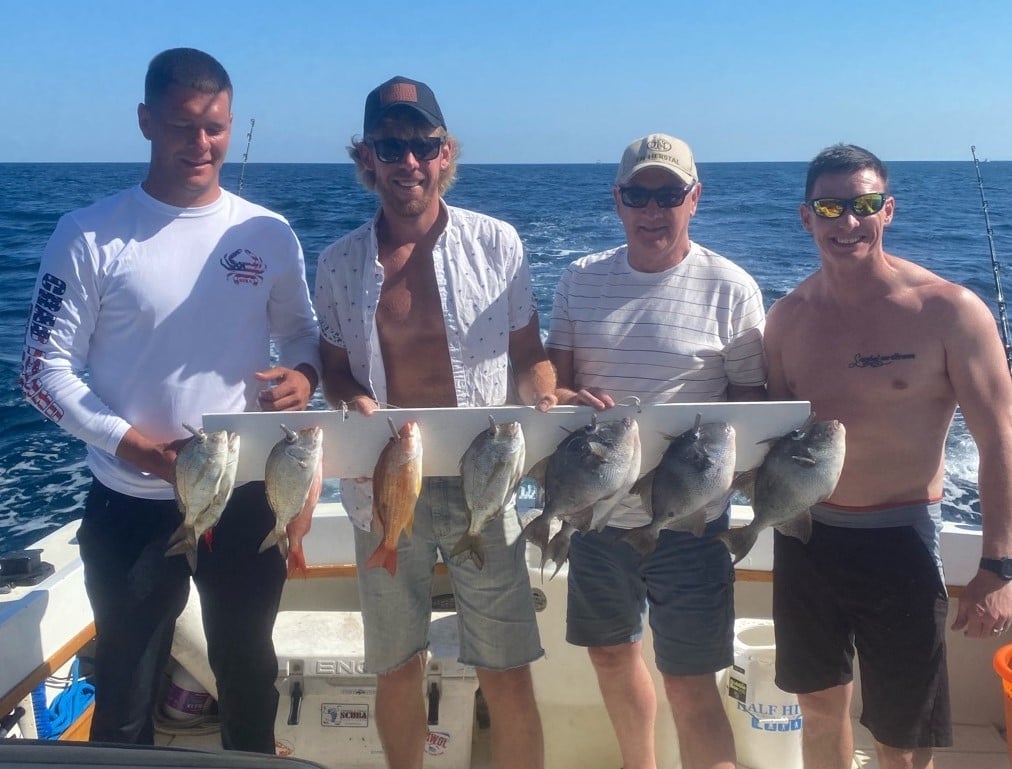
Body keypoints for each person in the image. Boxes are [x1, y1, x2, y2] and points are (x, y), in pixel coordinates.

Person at [18, 48, 321, 751]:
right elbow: (40, 370)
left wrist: (304, 373)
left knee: (249, 672)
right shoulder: (88, 234)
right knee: (125, 687)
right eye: (184, 125)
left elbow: (303, 334)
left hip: (245, 496)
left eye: (215, 126)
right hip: (131, 502)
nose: (202, 143)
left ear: (231, 123)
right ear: (146, 121)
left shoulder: (268, 234)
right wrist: (135, 448)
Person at [314, 75, 555, 769]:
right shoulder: (337, 263)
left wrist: (545, 398)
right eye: (392, 146)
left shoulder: (497, 243)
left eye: (423, 144)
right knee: (396, 665)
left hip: (483, 479)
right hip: (384, 483)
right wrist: (349, 396)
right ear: (368, 158)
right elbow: (332, 366)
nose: (409, 161)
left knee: (506, 667)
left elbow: (530, 355)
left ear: (446, 152)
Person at [764, 143, 1012, 769]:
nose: (848, 222)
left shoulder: (948, 310)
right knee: (819, 709)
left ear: (888, 210)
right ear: (806, 217)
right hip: (806, 539)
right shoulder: (787, 320)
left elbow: (1001, 441)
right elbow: (774, 441)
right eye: (830, 206)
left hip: (901, 539)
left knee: (901, 735)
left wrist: (998, 567)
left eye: (865, 204)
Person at [546, 134, 767, 769]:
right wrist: (560, 394)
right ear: (618, 200)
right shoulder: (579, 280)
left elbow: (750, 408)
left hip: (692, 519)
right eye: (639, 195)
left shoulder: (732, 288)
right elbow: (550, 383)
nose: (653, 210)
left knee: (690, 679)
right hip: (596, 514)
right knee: (612, 655)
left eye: (668, 194)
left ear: (694, 198)